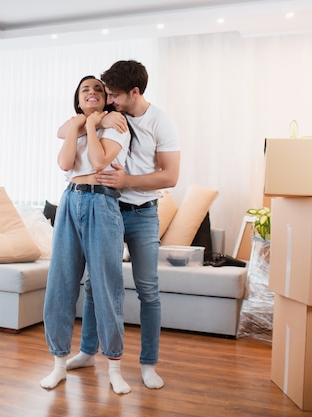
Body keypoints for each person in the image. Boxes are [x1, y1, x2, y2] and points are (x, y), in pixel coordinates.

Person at [61, 60, 181, 389]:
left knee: (148, 290)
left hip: (141, 212)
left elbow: (170, 176)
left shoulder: (161, 122)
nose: (107, 98)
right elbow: (65, 130)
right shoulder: (112, 115)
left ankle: (148, 363)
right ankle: (87, 351)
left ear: (135, 92)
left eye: (113, 94)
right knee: (93, 286)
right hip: (106, 207)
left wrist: (127, 179)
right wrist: (93, 119)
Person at [41, 75, 132, 394]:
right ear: (78, 99)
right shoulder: (75, 125)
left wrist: (94, 125)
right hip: (71, 200)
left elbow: (97, 160)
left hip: (102, 203)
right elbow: (65, 162)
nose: (92, 92)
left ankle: (115, 367)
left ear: (107, 98)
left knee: (106, 286)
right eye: (85, 90)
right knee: (61, 282)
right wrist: (82, 122)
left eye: (98, 89)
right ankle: (58, 365)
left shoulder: (117, 125)